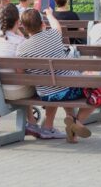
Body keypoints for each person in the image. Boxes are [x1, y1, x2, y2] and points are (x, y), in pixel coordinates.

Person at [18, 8, 95, 143]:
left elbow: (21, 72)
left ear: (24, 27)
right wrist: (49, 14)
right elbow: (56, 25)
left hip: (46, 94)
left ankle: (65, 122)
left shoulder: (21, 49)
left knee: (56, 82)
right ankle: (75, 122)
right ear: (43, 24)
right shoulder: (53, 35)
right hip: (69, 90)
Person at [0, 4, 40, 137]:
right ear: (18, 21)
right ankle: (32, 123)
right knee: (27, 82)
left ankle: (31, 122)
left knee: (21, 82)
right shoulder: (20, 42)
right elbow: (21, 72)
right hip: (15, 92)